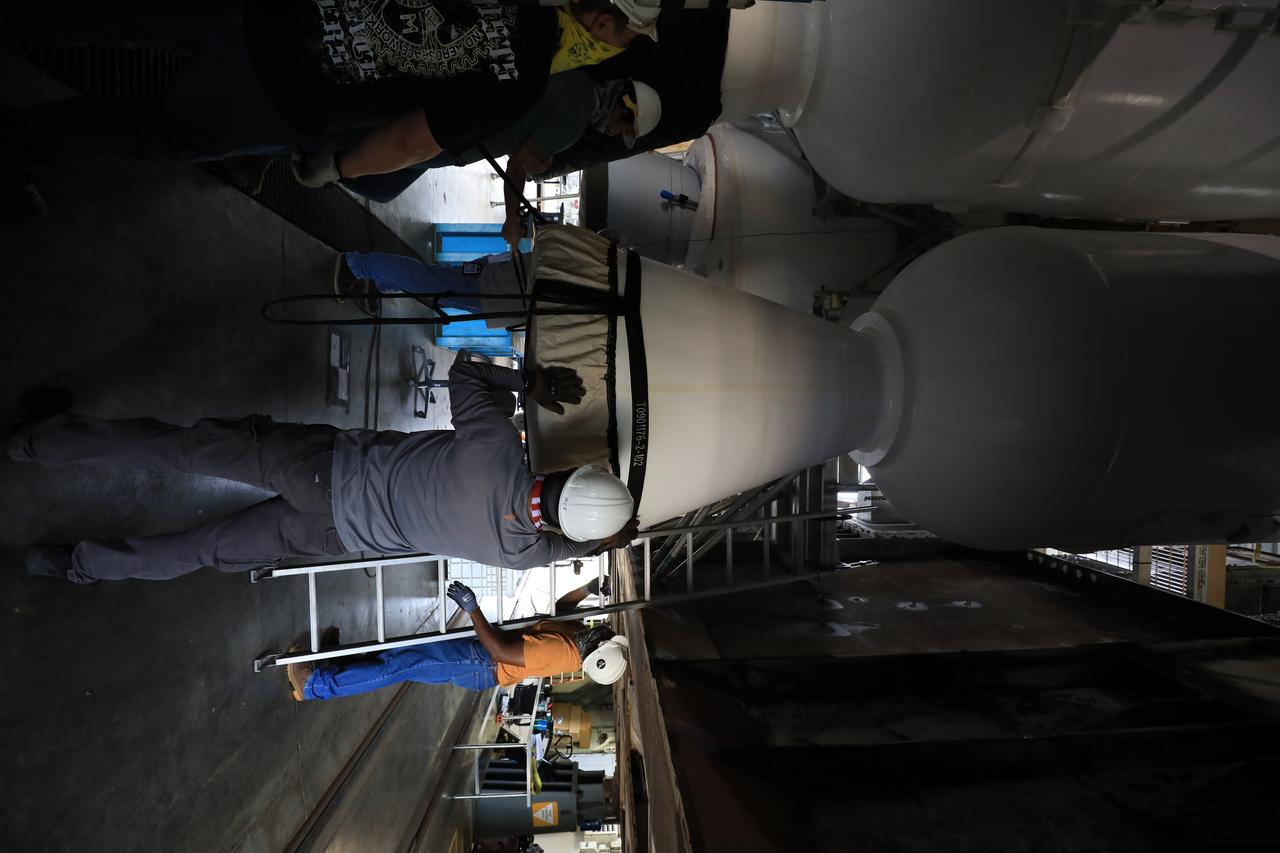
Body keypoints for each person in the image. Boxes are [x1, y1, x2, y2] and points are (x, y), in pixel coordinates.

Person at [13, 353, 639, 584]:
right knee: (202, 549)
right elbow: (562, 553)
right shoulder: (519, 555)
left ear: (572, 473)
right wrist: (605, 539)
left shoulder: (495, 447)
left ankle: (34, 444)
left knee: (175, 449)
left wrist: (527, 379)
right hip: (331, 535)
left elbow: (466, 371)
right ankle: (71, 563)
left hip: (320, 468)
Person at [4, 0, 651, 185]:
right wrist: (336, 167)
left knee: (116, 15)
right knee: (156, 133)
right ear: (601, 24)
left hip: (269, 13)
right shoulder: (528, 78)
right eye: (629, 36)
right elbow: (407, 139)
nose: (623, 48)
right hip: (284, 95)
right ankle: (19, 138)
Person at [288, 579, 630, 701]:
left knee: (401, 664)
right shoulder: (577, 638)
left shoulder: (561, 653)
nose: (608, 631)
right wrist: (588, 588)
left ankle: (316, 685)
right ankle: (336, 662)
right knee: (399, 651)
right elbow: (563, 609)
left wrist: (472, 608)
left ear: (598, 650)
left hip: (480, 663)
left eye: (609, 637)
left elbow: (499, 651)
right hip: (480, 655)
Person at [332, 250, 531, 319]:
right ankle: (356, 266)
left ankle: (381, 282)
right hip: (508, 284)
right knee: (428, 281)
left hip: (511, 291)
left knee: (438, 285)